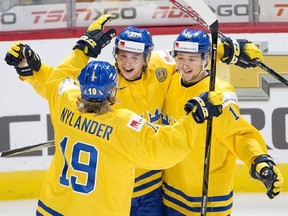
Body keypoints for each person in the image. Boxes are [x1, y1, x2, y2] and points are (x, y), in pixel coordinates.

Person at [5, 14, 268, 215]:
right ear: (114, 55)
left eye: (135, 57)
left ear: (147, 58)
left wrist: (227, 51)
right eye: (122, 55)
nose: (127, 63)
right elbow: (166, 147)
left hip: (152, 191)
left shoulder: (161, 67)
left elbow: (58, 87)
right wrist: (194, 122)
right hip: (117, 190)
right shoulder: (111, 94)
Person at [160, 29, 284, 216]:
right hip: (172, 191)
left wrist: (258, 159)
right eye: (180, 58)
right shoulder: (170, 80)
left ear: (205, 59)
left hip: (209, 196)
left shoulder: (219, 94)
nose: (185, 65)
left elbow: (239, 134)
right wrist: (228, 50)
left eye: (192, 59)